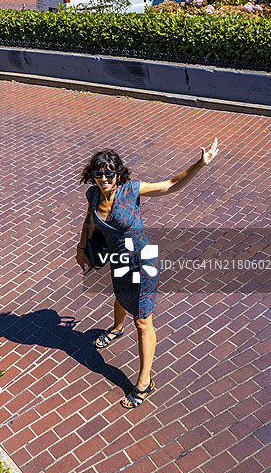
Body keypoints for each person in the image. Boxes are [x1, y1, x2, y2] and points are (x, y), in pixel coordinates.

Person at [75, 139, 219, 409]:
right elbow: (89, 221)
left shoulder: (131, 190)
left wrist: (200, 164)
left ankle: (144, 382)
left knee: (142, 322)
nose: (104, 178)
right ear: (92, 175)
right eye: (99, 173)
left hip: (142, 261)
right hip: (118, 258)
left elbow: (170, 184)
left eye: (109, 173)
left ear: (118, 174)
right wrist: (81, 247)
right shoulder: (93, 195)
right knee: (119, 293)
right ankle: (117, 329)